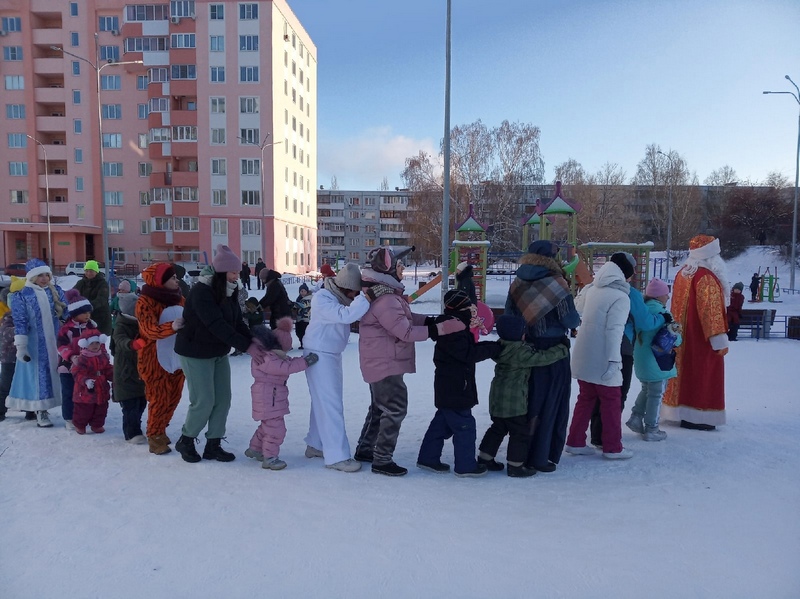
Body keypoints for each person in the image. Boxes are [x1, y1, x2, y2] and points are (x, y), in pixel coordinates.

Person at [355, 245, 452, 477]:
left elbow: (406, 318)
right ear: (387, 269)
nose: (403, 268)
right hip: (385, 362)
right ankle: (382, 460)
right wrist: (440, 329)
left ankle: (366, 449)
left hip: (381, 360)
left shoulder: (385, 293)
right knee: (395, 408)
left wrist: (432, 320)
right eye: (399, 265)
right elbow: (405, 332)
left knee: (380, 408)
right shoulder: (385, 299)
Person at [174, 245, 260, 464]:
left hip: (218, 352)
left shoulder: (229, 290)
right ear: (220, 272)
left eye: (237, 272)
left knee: (223, 399)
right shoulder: (202, 292)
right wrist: (246, 346)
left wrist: (254, 340)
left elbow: (237, 321)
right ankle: (186, 439)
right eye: (232, 272)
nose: (237, 275)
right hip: (195, 352)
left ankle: (214, 444)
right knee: (203, 400)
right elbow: (216, 324)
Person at [504, 240, 581, 473]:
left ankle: (521, 453)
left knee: (528, 401)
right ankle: (542, 455)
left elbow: (509, 316)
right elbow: (571, 320)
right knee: (552, 403)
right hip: (554, 351)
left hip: (526, 349)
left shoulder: (517, 282)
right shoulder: (557, 283)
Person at [417, 290, 501, 477]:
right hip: (456, 387)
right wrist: (493, 349)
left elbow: (469, 349)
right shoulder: (454, 331)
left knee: (442, 424)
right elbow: (468, 354)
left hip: (451, 386)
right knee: (465, 426)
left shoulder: (454, 326)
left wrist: (492, 347)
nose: (472, 312)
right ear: (461, 308)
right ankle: (465, 465)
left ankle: (428, 457)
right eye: (469, 308)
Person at [586, 253, 666, 448]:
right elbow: (645, 322)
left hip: (594, 345)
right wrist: (663, 318)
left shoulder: (594, 287)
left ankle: (596, 434)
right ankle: (607, 438)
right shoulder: (629, 292)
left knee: (596, 393)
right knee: (617, 393)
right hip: (621, 347)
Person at [477, 315, 570, 478]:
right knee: (519, 433)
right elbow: (542, 358)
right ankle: (515, 466)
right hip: (514, 403)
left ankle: (485, 458)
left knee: (497, 429)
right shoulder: (520, 353)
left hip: (497, 400)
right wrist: (561, 349)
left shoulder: (500, 347)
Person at [302, 263, 370, 473]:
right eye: (354, 292)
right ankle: (337, 456)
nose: (355, 296)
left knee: (321, 402)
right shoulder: (322, 298)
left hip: (327, 353)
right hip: (319, 354)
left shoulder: (335, 297)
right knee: (331, 404)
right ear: (345, 288)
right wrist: (366, 298)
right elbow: (346, 315)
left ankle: (317, 444)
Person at [565, 255, 633, 459]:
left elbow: (576, 310)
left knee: (585, 399)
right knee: (611, 401)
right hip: (604, 356)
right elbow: (614, 331)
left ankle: (575, 441)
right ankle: (612, 447)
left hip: (584, 354)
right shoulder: (620, 297)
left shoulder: (592, 290)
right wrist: (614, 360)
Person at [662, 235, 729, 431]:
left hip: (682, 338)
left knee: (684, 375)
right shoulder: (706, 277)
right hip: (701, 340)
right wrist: (719, 339)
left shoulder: (683, 273)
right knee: (703, 376)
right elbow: (711, 311)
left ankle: (680, 411)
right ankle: (701, 415)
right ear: (710, 257)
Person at [245, 325, 318, 470]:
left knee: (267, 425)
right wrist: (306, 362)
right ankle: (270, 458)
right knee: (276, 429)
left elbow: (287, 362)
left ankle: (255, 448)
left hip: (269, 397)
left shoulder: (271, 355)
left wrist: (302, 359)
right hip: (269, 398)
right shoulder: (268, 359)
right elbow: (286, 367)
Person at [6, 259, 67, 428]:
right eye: (40, 275)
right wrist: (22, 346)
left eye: (47, 274)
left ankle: (63, 408)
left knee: (55, 373)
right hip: (35, 344)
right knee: (38, 376)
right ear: (32, 277)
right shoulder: (23, 296)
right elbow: (20, 321)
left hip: (55, 342)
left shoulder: (56, 292)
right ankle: (40, 411)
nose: (44, 278)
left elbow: (66, 314)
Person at [135, 262, 186, 455]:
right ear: (160, 281)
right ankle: (154, 435)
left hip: (178, 355)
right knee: (159, 397)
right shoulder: (145, 302)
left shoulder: (179, 299)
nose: (176, 280)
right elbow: (148, 330)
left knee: (174, 396)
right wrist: (172, 327)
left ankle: (162, 428)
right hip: (154, 359)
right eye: (172, 278)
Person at [626, 278, 682, 442]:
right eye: (666, 293)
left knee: (647, 389)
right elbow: (674, 337)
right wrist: (679, 340)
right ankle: (652, 428)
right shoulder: (664, 313)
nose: (668, 296)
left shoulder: (641, 310)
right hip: (658, 359)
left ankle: (636, 417)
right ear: (659, 296)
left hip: (641, 356)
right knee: (656, 393)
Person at [56, 293, 96, 430]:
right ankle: (69, 417)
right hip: (67, 367)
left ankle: (84, 416)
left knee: (85, 391)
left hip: (86, 367)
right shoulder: (66, 329)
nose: (87, 315)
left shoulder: (91, 328)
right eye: (83, 312)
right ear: (74, 313)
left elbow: (98, 345)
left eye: (88, 312)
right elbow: (61, 346)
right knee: (69, 392)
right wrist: (71, 356)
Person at [112, 293, 148, 444]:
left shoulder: (141, 323)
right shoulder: (121, 325)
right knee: (130, 405)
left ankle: (135, 426)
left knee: (141, 402)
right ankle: (131, 433)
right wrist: (131, 344)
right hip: (125, 372)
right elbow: (119, 340)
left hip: (139, 371)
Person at [71, 328, 113, 435]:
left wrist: (114, 375)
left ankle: (97, 425)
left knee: (101, 408)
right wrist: (86, 380)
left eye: (97, 343)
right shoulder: (81, 358)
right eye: (92, 343)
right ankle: (80, 425)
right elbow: (76, 372)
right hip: (85, 391)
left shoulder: (102, 356)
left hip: (101, 387)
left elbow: (107, 369)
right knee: (84, 410)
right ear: (85, 344)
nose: (95, 345)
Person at [73, 260, 112, 335]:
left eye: (91, 271)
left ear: (96, 272)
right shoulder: (81, 283)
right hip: (84, 317)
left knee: (98, 340)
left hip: (100, 317)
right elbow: (73, 294)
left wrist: (87, 307)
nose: (88, 273)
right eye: (86, 271)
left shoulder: (102, 284)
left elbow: (102, 299)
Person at [0, 287, 16, 422]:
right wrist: (21, 329)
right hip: (9, 357)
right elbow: (6, 333)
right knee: (5, 384)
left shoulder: (27, 315)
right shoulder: (8, 317)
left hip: (25, 357)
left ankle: (30, 410)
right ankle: (0, 410)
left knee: (26, 384)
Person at [294, 283, 312, 350]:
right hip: (299, 319)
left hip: (306, 319)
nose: (302, 293)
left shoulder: (309, 298)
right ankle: (302, 344)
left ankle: (306, 345)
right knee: (299, 332)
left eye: (304, 291)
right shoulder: (299, 299)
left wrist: (292, 304)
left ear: (307, 291)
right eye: (301, 291)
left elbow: (303, 305)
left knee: (305, 332)